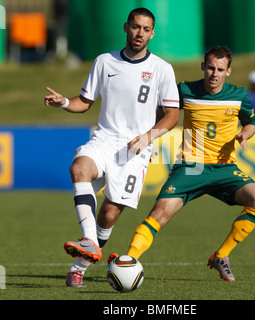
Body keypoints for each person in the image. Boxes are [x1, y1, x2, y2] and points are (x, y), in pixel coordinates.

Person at [44, 7, 179, 287]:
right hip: (105, 138)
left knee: (108, 214)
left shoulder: (162, 69)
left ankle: (79, 267)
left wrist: (148, 136)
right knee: (79, 168)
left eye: (145, 29)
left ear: (152, 34)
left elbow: (173, 116)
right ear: (125, 27)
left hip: (136, 150)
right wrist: (65, 103)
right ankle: (90, 241)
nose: (139, 33)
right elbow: (85, 102)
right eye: (135, 26)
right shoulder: (104, 62)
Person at [123, 46, 255, 282]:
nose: (214, 73)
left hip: (224, 168)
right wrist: (148, 141)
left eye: (220, 69)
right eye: (210, 67)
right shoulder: (185, 90)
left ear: (228, 71)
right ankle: (128, 260)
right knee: (159, 213)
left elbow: (251, 123)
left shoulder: (238, 95)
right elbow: (162, 115)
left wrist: (245, 134)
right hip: (192, 167)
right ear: (203, 66)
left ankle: (221, 256)